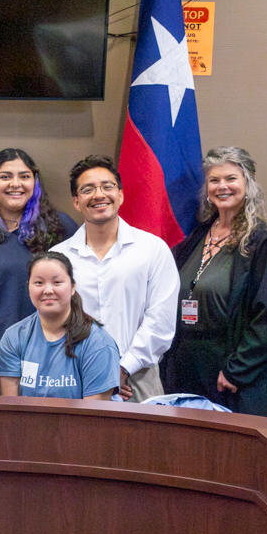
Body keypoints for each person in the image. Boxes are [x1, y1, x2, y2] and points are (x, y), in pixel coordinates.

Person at [161, 146, 267, 419]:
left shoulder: (261, 242)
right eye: (214, 180)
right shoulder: (197, 235)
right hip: (186, 366)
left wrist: (237, 369)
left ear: (248, 184)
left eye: (231, 178)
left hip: (230, 374)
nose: (222, 186)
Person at [51, 155, 179, 402]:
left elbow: (160, 323)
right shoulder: (59, 257)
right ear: (76, 202)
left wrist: (121, 369)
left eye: (107, 186)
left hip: (138, 379)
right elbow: (52, 321)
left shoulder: (152, 249)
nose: (99, 195)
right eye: (88, 189)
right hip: (74, 378)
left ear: (120, 195)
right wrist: (96, 375)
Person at [0, 148, 78, 346]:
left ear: (35, 182)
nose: (15, 184)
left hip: (43, 347)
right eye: (5, 176)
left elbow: (81, 283)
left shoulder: (60, 228)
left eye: (24, 176)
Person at [0, 252, 119, 400]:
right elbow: (10, 410)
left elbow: (94, 418)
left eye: (57, 282)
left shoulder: (98, 343)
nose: (48, 290)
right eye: (39, 283)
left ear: (72, 287)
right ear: (29, 288)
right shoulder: (13, 337)